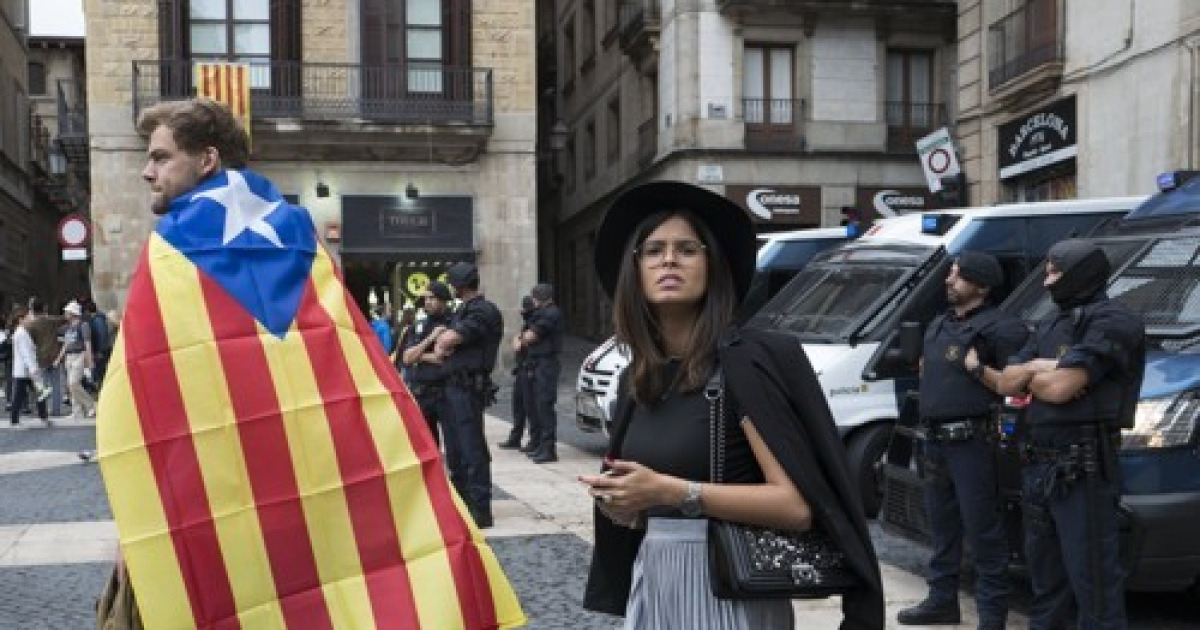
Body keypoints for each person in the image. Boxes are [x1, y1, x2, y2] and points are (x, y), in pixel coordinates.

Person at [580, 181, 884, 629]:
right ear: (636, 272)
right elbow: (648, 505)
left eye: (686, 249)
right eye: (653, 250)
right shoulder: (636, 378)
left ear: (712, 266)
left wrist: (673, 491)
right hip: (656, 578)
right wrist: (628, 506)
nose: (668, 260)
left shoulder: (747, 363)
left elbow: (795, 507)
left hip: (729, 587)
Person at [986, 240, 1144, 630]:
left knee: (1094, 585)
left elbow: (1059, 389)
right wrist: (1045, 367)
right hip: (1039, 465)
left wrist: (1035, 373)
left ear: (1080, 272)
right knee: (1046, 585)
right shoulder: (1052, 322)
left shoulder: (1114, 321)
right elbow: (1006, 381)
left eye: (1055, 272)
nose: (1047, 281)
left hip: (1083, 470)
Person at [897, 251, 1027, 629]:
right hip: (936, 442)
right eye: (950, 274)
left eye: (958, 276)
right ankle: (941, 601)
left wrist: (976, 368)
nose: (949, 281)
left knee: (985, 532)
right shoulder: (939, 324)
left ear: (982, 286)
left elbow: (1016, 387)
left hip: (975, 444)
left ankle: (991, 616)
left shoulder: (1003, 328)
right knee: (942, 530)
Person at [433, 262, 503, 528]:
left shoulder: (482, 311)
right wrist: (442, 341)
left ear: (459, 286)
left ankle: (480, 508)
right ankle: (462, 502)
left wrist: (443, 339)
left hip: (467, 388)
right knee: (456, 449)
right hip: (452, 387)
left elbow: (447, 342)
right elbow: (441, 348)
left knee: (471, 448)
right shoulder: (463, 311)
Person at [400, 281, 453, 446]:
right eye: (426, 298)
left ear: (444, 300)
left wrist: (419, 355)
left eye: (433, 298)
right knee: (427, 445)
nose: (428, 302)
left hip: (447, 391)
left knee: (454, 444)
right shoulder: (419, 326)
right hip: (423, 392)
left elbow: (441, 357)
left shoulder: (452, 323)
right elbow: (407, 358)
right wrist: (430, 338)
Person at [516, 283, 564, 464]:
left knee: (544, 405)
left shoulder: (551, 314)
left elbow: (529, 337)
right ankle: (540, 445)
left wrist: (523, 337)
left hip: (546, 364)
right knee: (534, 405)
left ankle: (548, 448)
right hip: (537, 363)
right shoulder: (541, 314)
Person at [498, 295, 537, 451]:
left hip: (529, 369)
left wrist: (518, 339)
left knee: (530, 406)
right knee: (519, 405)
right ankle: (516, 437)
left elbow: (517, 346)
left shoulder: (534, 324)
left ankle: (532, 440)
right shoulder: (527, 324)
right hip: (522, 369)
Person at [9, 306, 51, 427]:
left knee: (38, 393)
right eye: (28, 316)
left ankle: (43, 417)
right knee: (24, 395)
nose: (31, 318)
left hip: (25, 370)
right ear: (21, 319)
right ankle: (16, 420)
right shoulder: (21, 333)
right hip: (26, 370)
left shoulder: (21, 332)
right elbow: (26, 354)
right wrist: (33, 370)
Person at [55, 300, 96, 421]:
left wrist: (89, 360)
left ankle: (90, 405)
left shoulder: (83, 325)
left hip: (80, 355)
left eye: (67, 312)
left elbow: (87, 343)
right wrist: (59, 358)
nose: (65, 314)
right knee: (71, 385)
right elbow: (66, 344)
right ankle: (77, 411)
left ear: (73, 313)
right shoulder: (68, 327)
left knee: (74, 383)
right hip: (69, 356)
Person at [25, 298, 65, 417]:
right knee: (56, 383)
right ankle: (56, 410)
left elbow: (30, 341)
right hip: (54, 355)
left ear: (33, 310)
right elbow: (64, 319)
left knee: (43, 384)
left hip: (40, 356)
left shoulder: (31, 325)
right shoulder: (51, 320)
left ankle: (44, 409)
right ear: (44, 308)